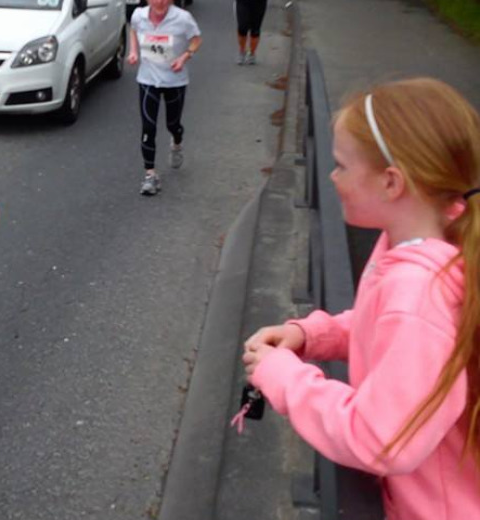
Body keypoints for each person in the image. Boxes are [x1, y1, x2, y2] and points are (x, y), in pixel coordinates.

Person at [243, 78, 480, 520]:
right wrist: (311, 334)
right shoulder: (421, 238)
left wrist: (284, 378)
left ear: (392, 183)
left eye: (341, 166)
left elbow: (380, 439)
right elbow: (381, 323)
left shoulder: (418, 296)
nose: (331, 177)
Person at [126, 0, 202, 196]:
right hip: (148, 79)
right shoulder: (139, 16)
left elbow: (196, 39)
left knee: (173, 124)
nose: (159, 2)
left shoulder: (182, 18)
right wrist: (133, 51)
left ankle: (177, 141)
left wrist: (185, 57)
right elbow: (133, 30)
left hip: (174, 80)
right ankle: (150, 175)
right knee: (148, 127)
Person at [234, 0, 267, 65]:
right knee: (242, 27)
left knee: (255, 29)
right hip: (242, 2)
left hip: (259, 3)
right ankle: (242, 52)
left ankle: (252, 53)